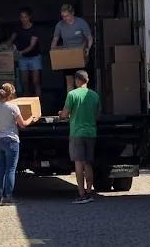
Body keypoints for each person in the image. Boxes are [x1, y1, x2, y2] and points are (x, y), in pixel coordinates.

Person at [0, 83, 39, 205]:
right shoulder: (13, 108)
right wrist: (32, 118)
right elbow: (22, 124)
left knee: (1, 169)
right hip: (11, 140)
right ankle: (8, 196)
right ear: (11, 94)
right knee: (10, 169)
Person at [58, 70, 101, 204]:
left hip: (77, 133)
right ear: (87, 80)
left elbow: (65, 114)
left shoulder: (72, 94)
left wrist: (61, 114)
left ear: (76, 80)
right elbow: (97, 115)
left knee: (78, 163)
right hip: (91, 132)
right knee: (88, 163)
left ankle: (81, 194)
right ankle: (89, 192)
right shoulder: (95, 95)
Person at [50, 4, 94, 93]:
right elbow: (55, 39)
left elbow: (89, 38)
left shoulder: (81, 22)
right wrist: (53, 52)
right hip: (67, 56)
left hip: (80, 55)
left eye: (67, 16)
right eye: (63, 16)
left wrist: (88, 48)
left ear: (72, 13)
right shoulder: (60, 25)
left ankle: (82, 99)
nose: (65, 18)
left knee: (81, 81)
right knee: (69, 80)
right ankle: (70, 100)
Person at [4, 7, 42, 98]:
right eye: (21, 17)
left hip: (34, 57)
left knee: (36, 81)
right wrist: (2, 46)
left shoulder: (34, 29)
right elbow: (11, 40)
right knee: (24, 82)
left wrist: (20, 52)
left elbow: (32, 45)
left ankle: (39, 101)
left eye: (25, 17)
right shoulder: (18, 28)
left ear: (29, 17)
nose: (23, 19)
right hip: (23, 58)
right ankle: (26, 99)